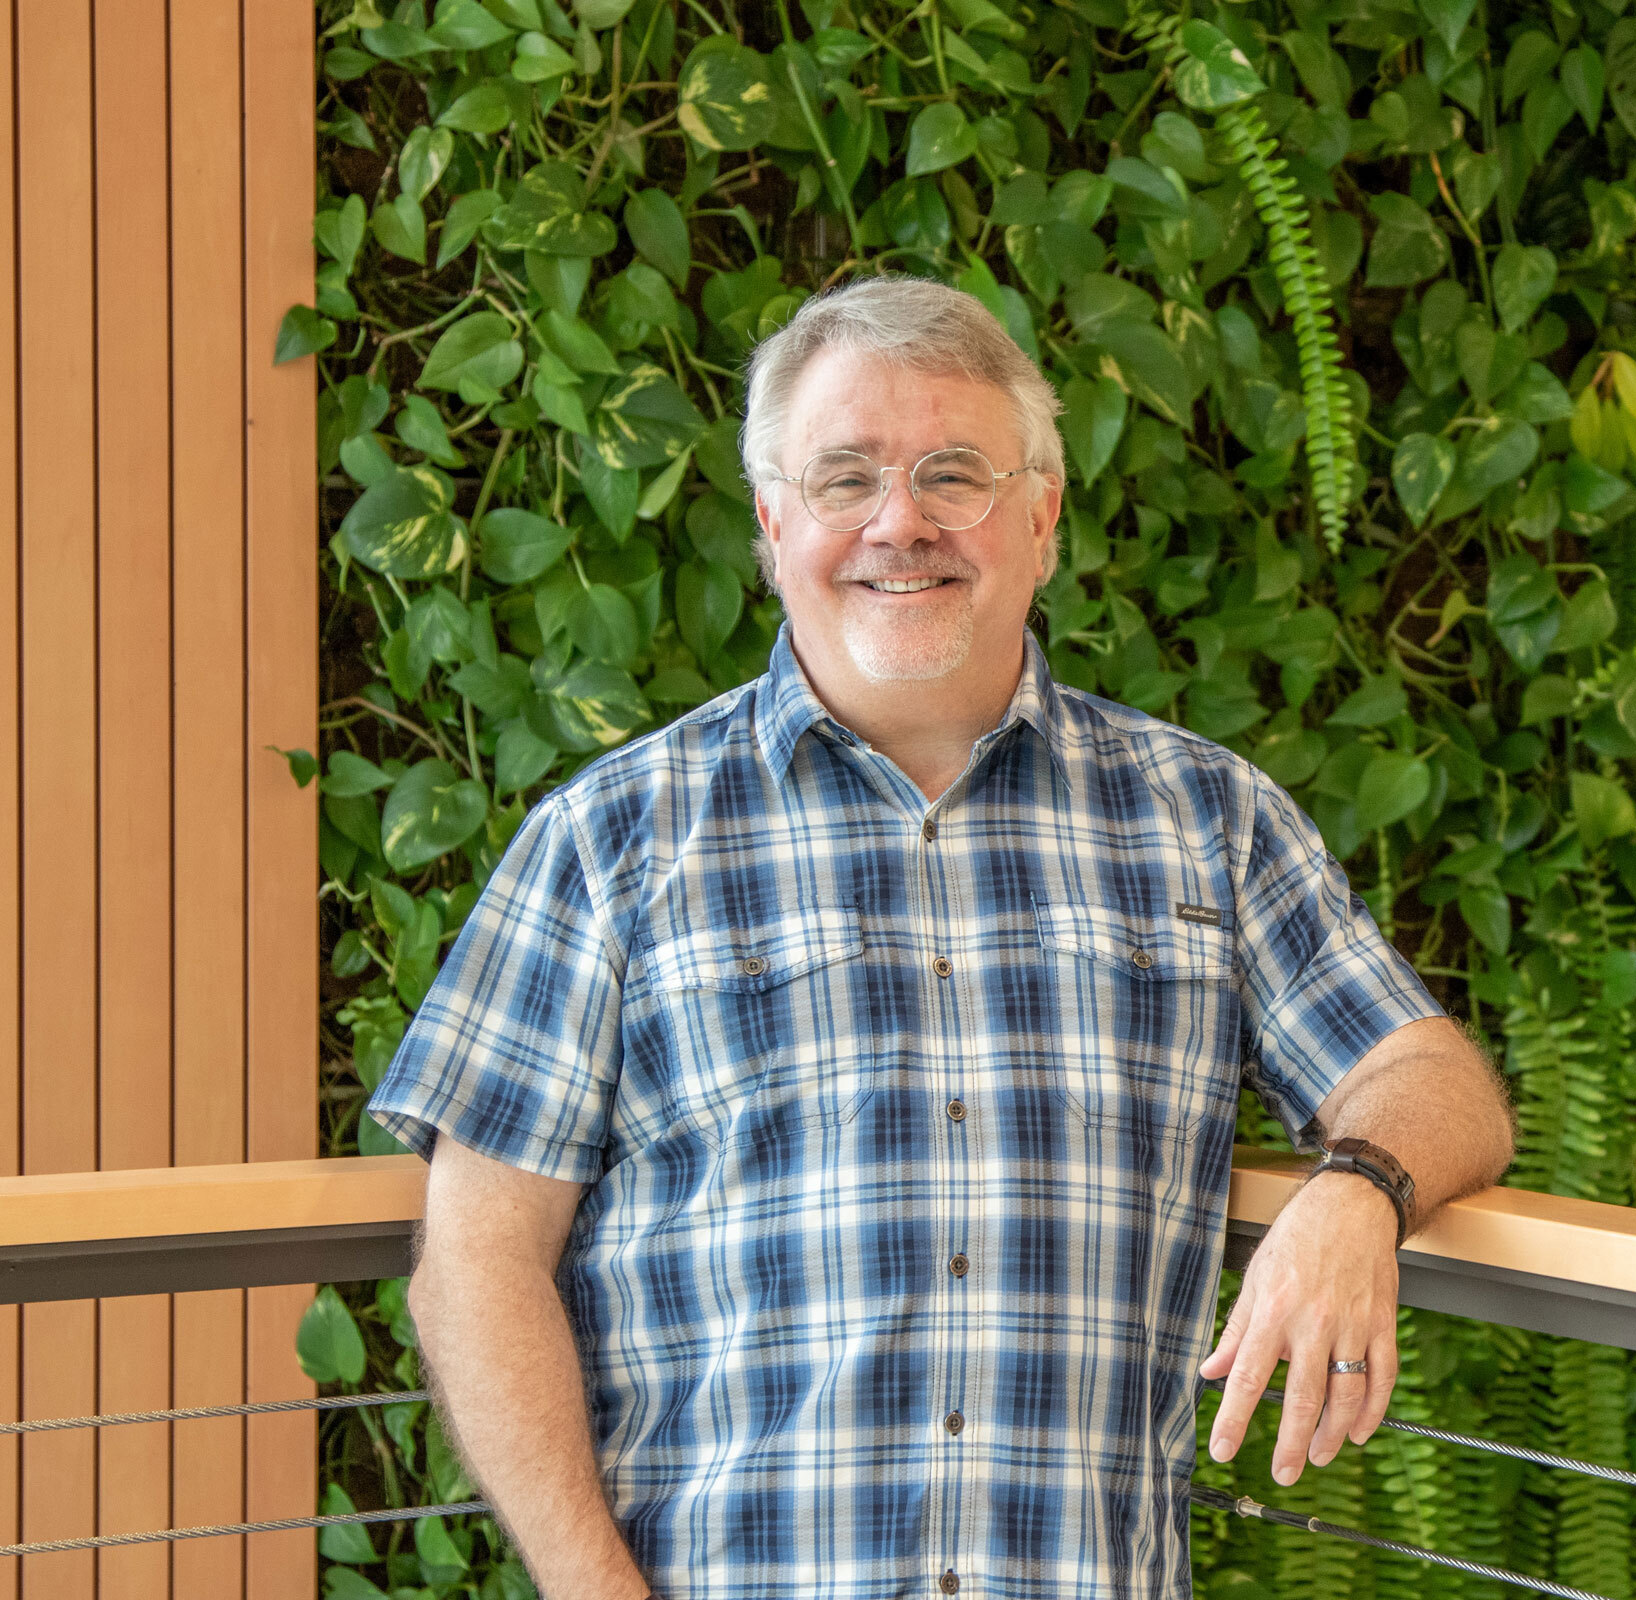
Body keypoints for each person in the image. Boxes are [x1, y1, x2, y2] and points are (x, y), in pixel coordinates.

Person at [368, 275, 1517, 1600]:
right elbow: (476, 1258)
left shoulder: (1206, 822)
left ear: (1040, 516)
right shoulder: (611, 843)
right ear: (773, 519)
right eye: (845, 476)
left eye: (953, 474)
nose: (898, 523)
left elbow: (1433, 1080)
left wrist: (1356, 1191)